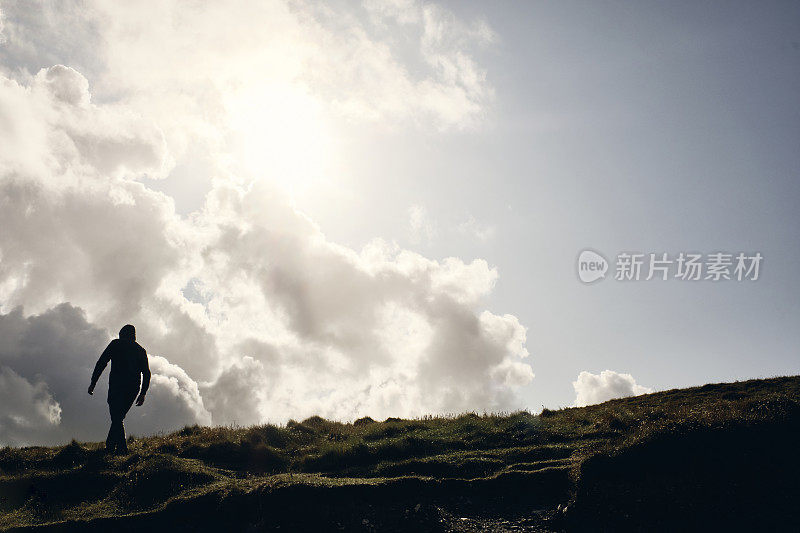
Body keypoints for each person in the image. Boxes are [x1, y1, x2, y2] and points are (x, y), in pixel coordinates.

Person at [88, 324, 151, 454]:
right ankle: (111, 447)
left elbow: (101, 362)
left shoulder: (116, 344)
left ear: (121, 334)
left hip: (116, 386)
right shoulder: (140, 350)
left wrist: (93, 382)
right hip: (133, 388)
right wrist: (143, 393)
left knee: (117, 417)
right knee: (118, 417)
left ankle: (121, 449)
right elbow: (146, 373)